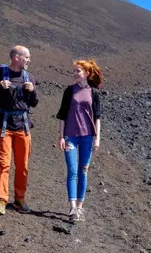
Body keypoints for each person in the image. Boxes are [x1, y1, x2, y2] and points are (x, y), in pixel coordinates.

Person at [0, 45, 39, 215]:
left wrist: (33, 91)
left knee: (22, 165)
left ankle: (20, 199)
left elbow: (34, 103)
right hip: (3, 126)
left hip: (23, 125)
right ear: (16, 57)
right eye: (26, 57)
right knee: (4, 164)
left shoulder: (29, 78)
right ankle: (1, 200)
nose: (29, 60)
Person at [56, 59, 102, 223]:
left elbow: (97, 117)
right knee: (72, 171)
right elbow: (61, 115)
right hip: (70, 136)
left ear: (87, 74)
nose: (75, 74)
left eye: (78, 71)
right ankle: (72, 207)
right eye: (74, 71)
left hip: (88, 137)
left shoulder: (93, 93)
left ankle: (80, 207)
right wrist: (61, 136)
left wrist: (97, 138)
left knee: (83, 171)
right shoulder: (69, 91)